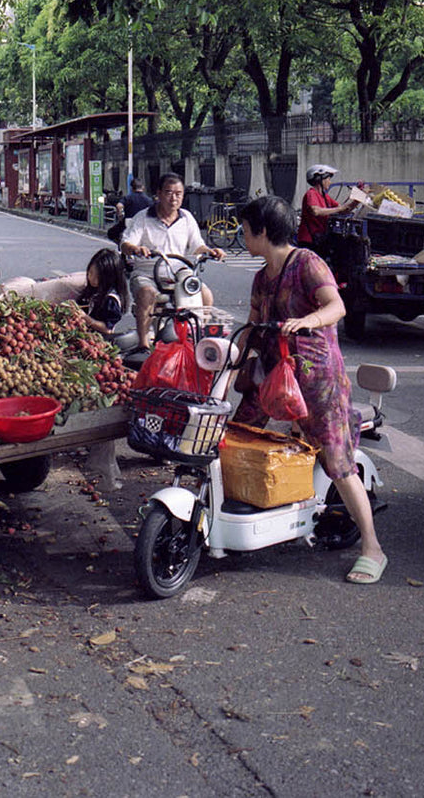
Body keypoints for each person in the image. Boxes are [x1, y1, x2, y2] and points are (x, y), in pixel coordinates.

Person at [230, 194, 386, 585]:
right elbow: (251, 324)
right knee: (237, 435)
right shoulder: (260, 276)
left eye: (246, 230)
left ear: (263, 232)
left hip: (317, 377)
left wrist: (307, 321)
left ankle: (372, 547)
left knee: (337, 461)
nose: (242, 236)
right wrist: (230, 353)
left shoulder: (307, 263)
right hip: (272, 372)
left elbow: (336, 306)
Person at [119, 174, 225, 348]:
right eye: (169, 193)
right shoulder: (142, 218)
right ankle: (144, 345)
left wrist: (210, 251)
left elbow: (197, 245)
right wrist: (136, 249)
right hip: (147, 272)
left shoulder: (187, 218)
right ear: (158, 194)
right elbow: (126, 243)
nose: (174, 198)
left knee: (205, 294)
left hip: (179, 272)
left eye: (178, 193)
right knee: (146, 293)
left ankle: (198, 338)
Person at [0, 248, 129, 332]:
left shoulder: (110, 300)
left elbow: (107, 329)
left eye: (97, 276)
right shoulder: (92, 290)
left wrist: (85, 318)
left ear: (110, 278)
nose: (92, 278)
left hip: (98, 339)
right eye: (90, 273)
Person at [298, 164, 363, 257]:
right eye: (328, 179)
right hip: (309, 241)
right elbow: (315, 210)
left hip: (319, 239)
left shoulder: (325, 197)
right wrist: (339, 209)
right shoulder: (311, 194)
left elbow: (344, 210)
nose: (330, 182)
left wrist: (359, 199)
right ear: (319, 180)